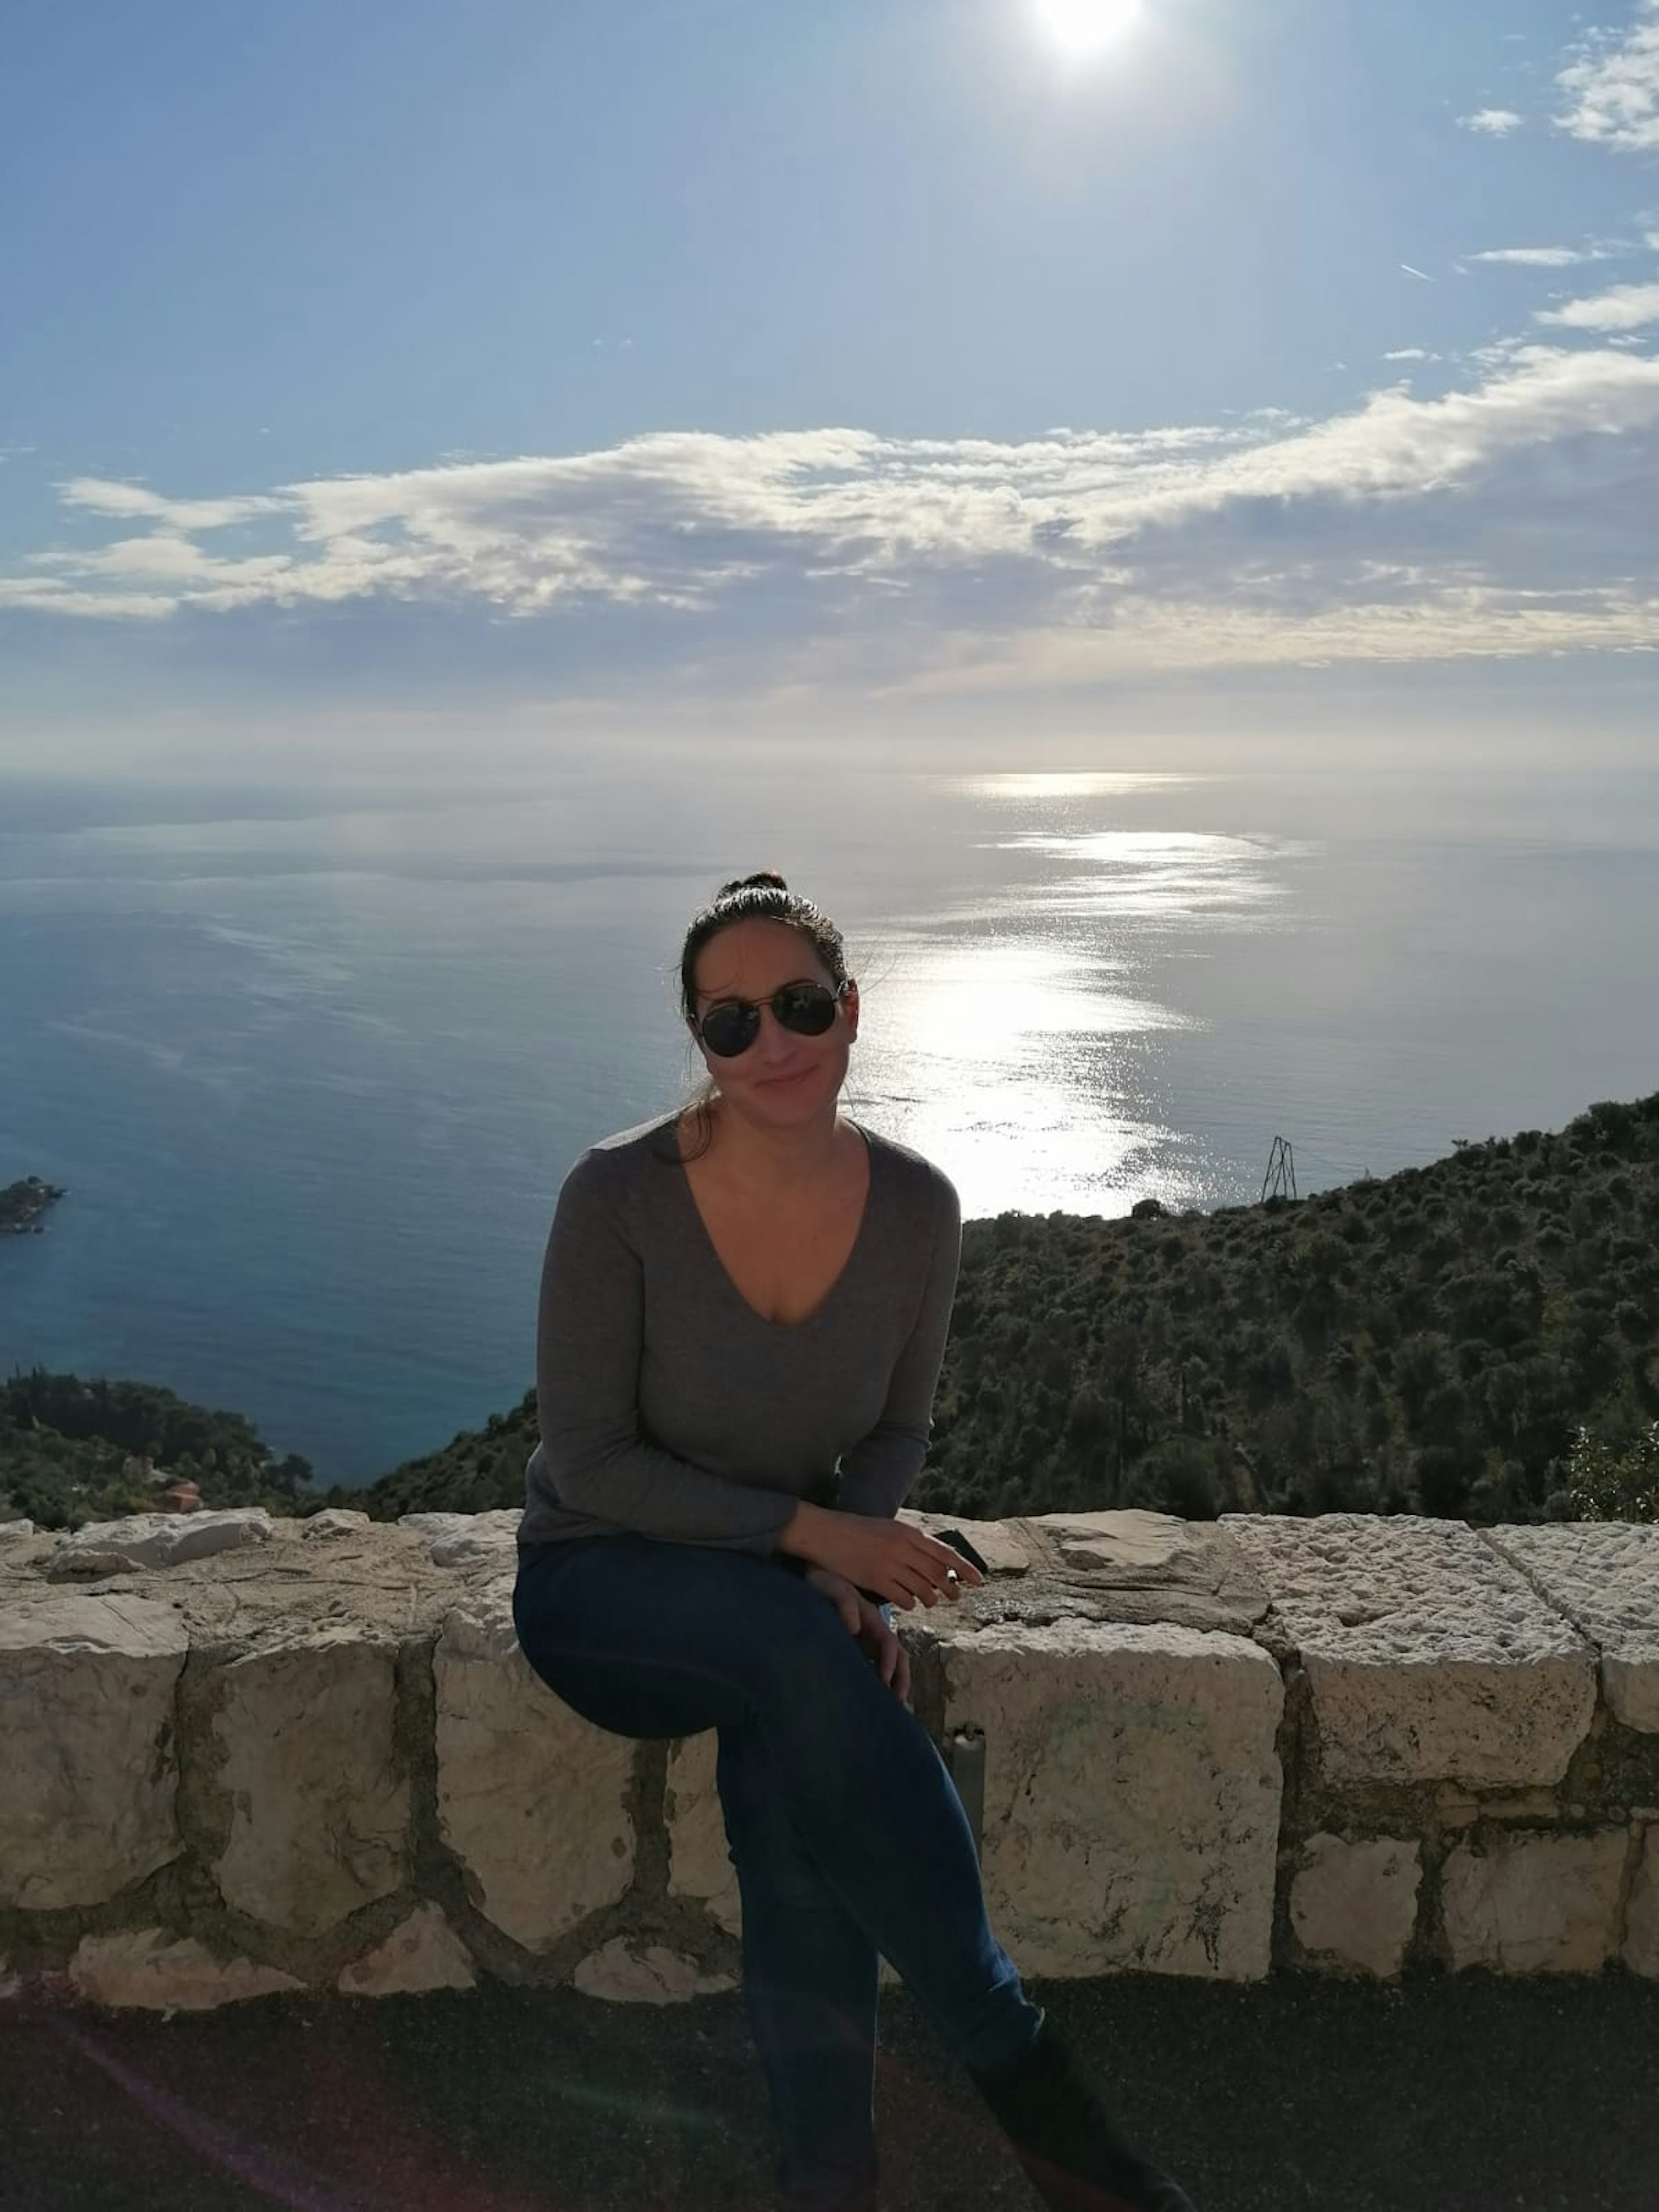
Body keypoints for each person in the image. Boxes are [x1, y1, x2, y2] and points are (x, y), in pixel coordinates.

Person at [511, 872, 1197, 2212]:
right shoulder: (616, 1198)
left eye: (801, 1004)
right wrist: (814, 1541)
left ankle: (830, 2183)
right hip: (602, 1586)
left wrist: (837, 1559)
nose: (773, 1041)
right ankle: (1037, 2091)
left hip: (774, 1603)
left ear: (852, 1013)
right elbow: (589, 1463)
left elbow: (895, 1429)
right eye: (731, 1022)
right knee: (797, 1658)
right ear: (700, 1042)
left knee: (794, 1813)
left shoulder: (918, 1211)